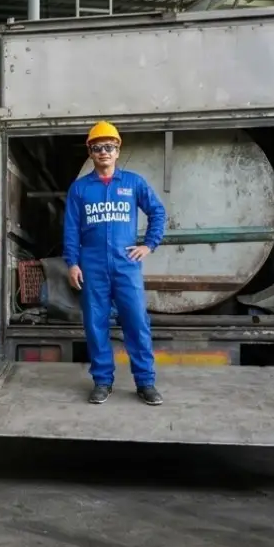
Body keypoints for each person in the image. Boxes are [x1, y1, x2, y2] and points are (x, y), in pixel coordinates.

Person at [63, 121, 167, 406]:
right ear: (91, 153)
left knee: (136, 322)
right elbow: (71, 230)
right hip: (92, 266)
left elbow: (158, 212)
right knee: (96, 325)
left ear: (118, 151)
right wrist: (72, 263)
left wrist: (149, 244)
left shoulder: (133, 183)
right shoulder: (80, 189)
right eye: (98, 148)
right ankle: (102, 381)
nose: (104, 152)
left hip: (126, 266)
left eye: (109, 147)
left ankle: (145, 382)